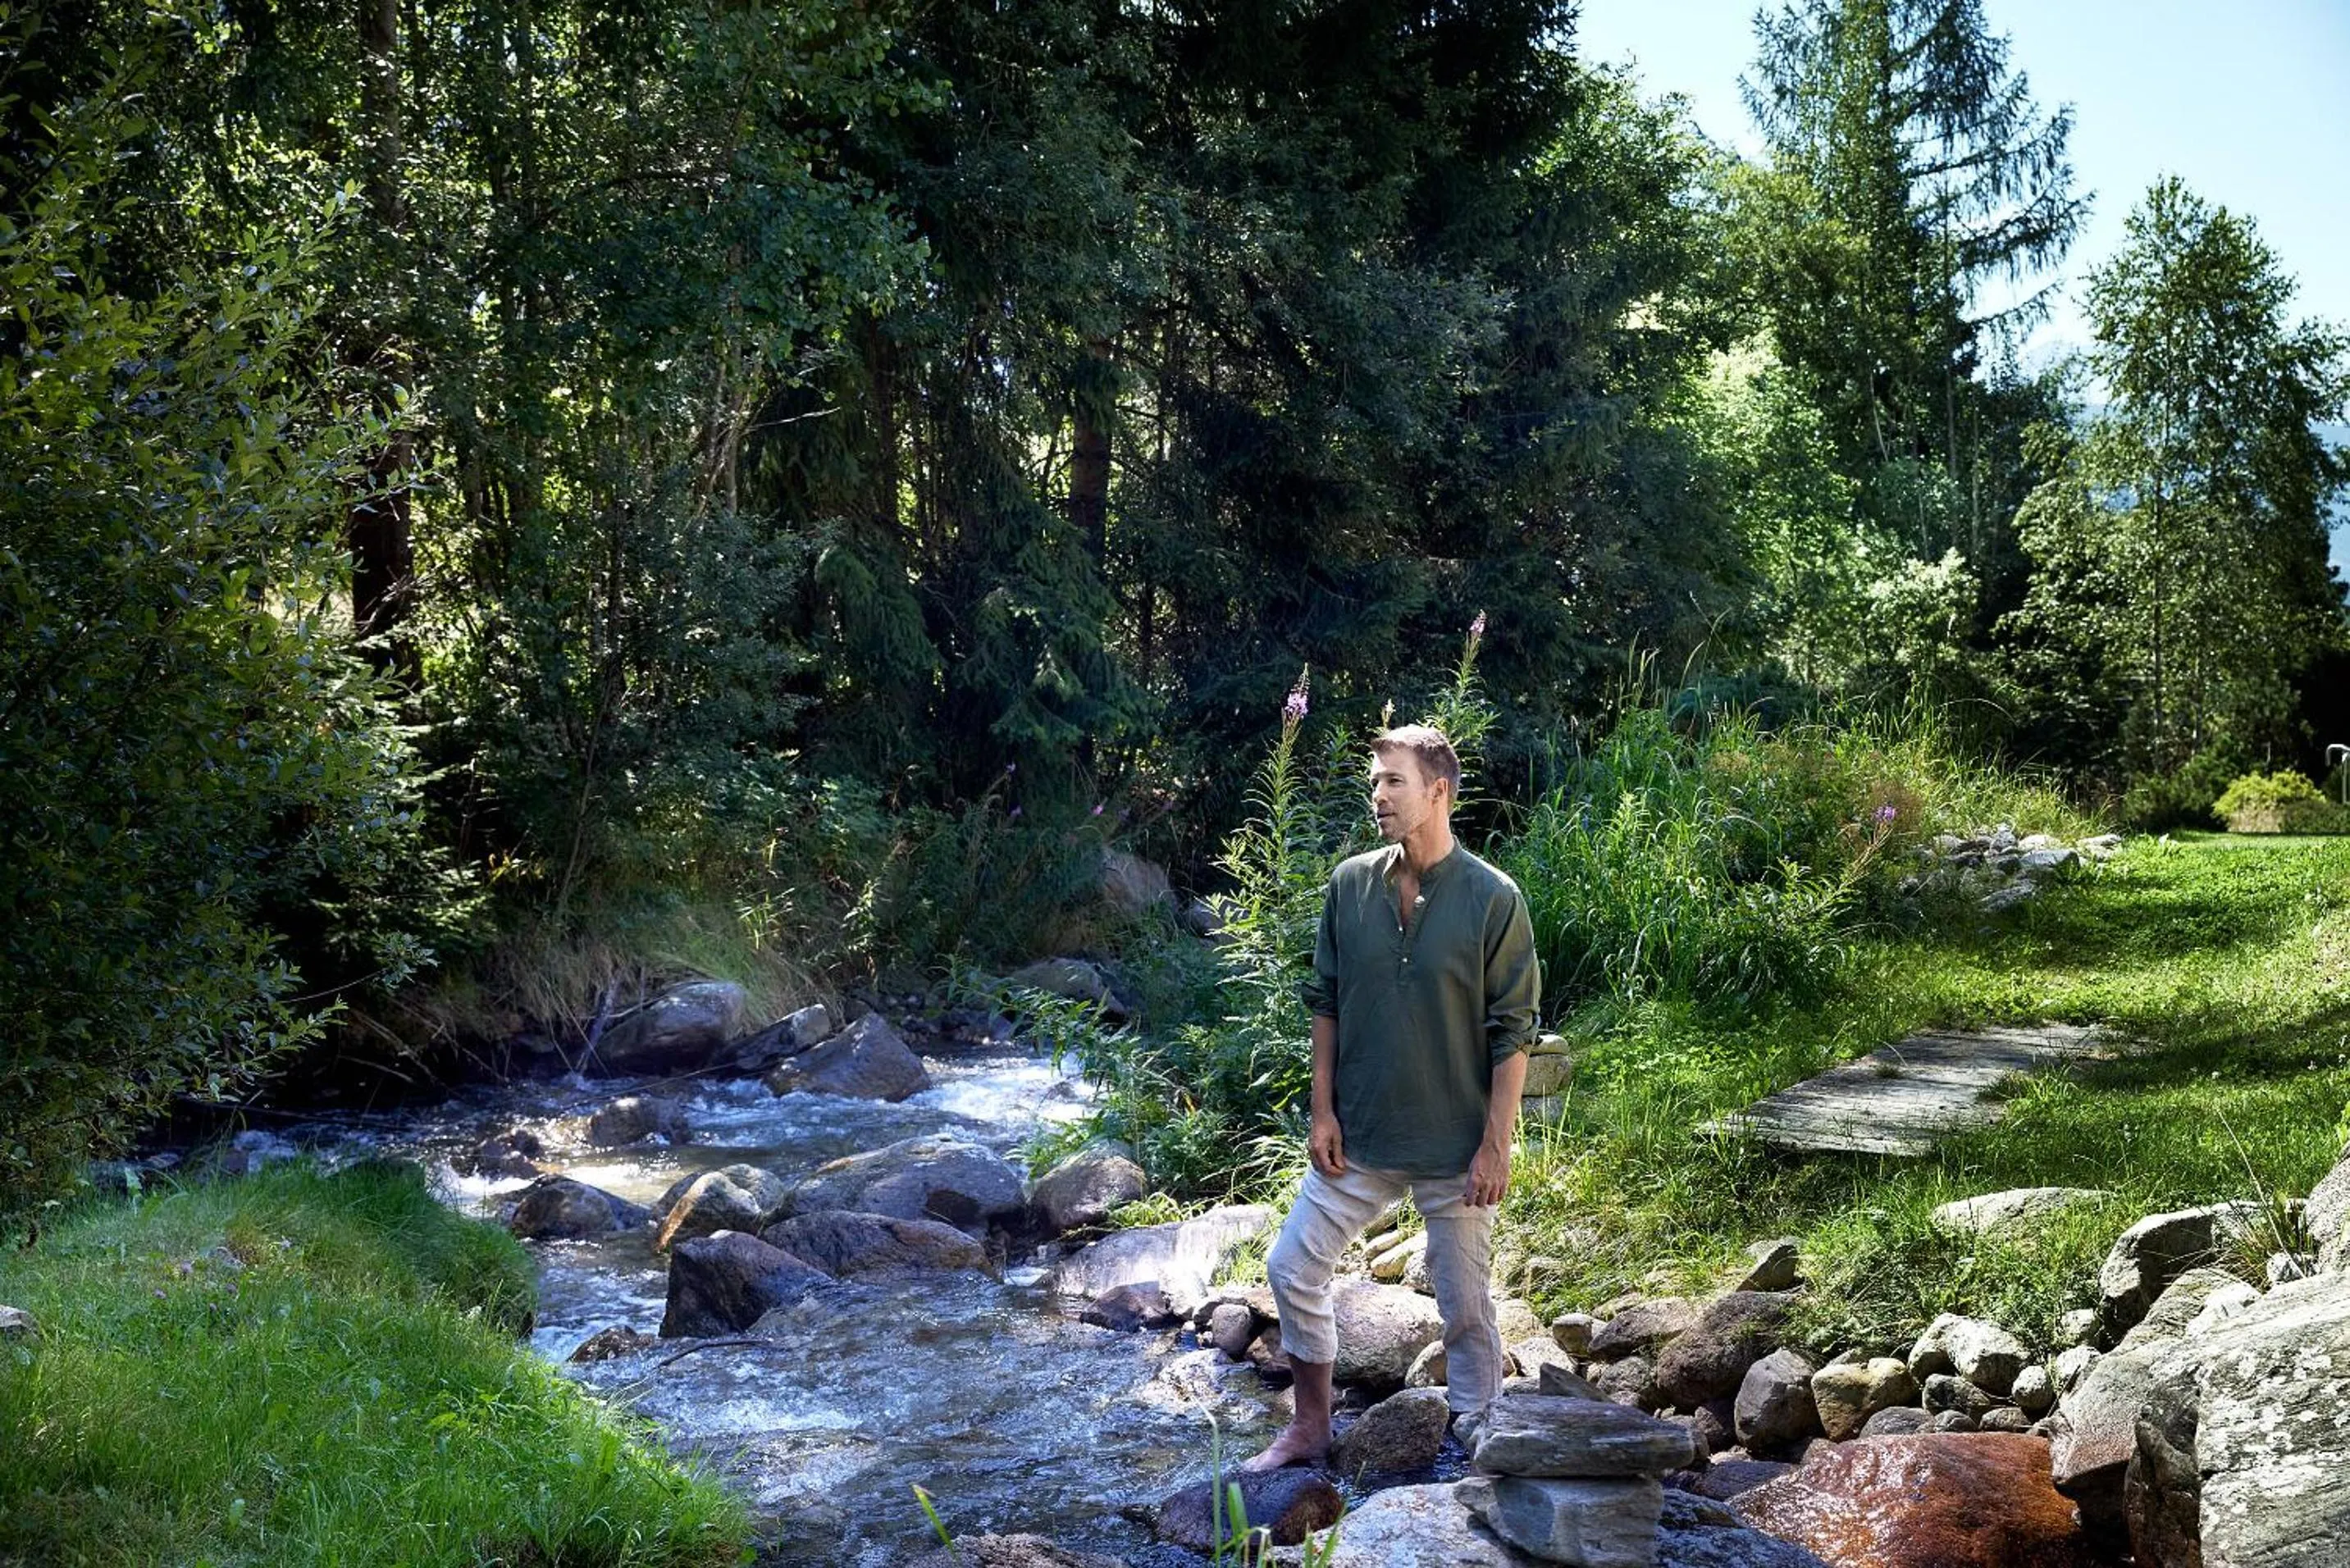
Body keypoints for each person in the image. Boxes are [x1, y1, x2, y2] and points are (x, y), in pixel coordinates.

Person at [1242, 722, 1540, 1470]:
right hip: (1360, 1137)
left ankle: (1478, 1441)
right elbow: (1326, 1002)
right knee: (1290, 1268)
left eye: (1392, 781)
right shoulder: (1349, 884)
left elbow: (1513, 1032)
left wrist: (1495, 1145)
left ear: (1437, 792)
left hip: (1455, 1147)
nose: (1376, 795)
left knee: (1464, 1308)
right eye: (1374, 781)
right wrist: (1322, 1111)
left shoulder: (1493, 898)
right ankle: (1311, 1426)